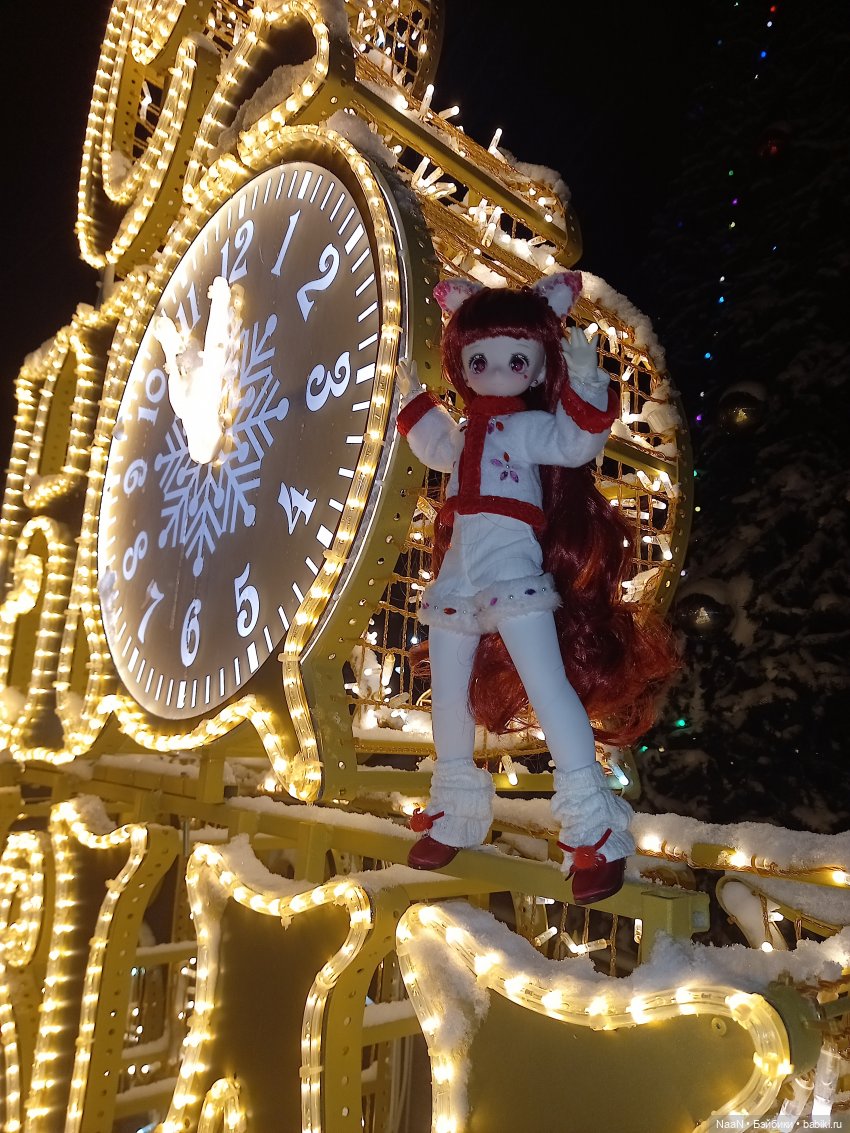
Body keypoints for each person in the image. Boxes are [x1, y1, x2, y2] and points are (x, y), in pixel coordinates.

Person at [395, 271, 677, 903]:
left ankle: (593, 828)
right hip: (459, 569)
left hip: (511, 567)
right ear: (462, 364)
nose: (496, 372)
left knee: (550, 690)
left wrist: (588, 381)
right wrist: (406, 393)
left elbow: (574, 443)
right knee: (448, 695)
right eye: (479, 361)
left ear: (537, 366)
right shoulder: (465, 434)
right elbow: (433, 442)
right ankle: (454, 807)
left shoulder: (526, 430)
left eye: (516, 360)